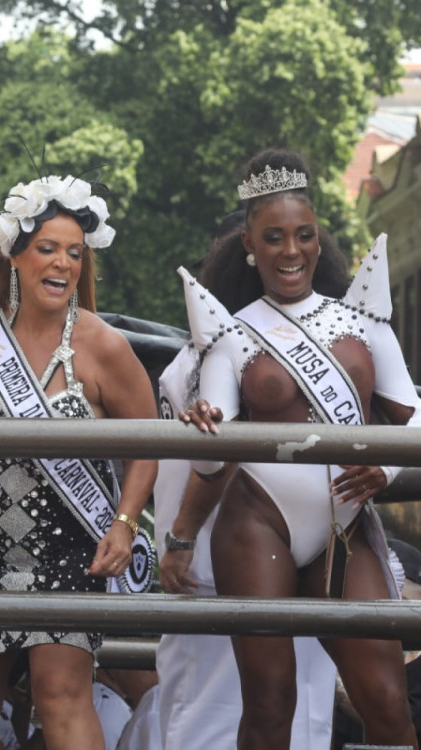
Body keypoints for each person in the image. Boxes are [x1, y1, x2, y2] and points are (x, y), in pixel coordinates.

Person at [0, 174, 158, 750]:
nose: (62, 263)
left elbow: (148, 445)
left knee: (60, 697)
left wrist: (124, 521)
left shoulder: (104, 345)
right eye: (47, 248)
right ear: (15, 255)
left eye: (74, 252)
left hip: (70, 549)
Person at [174, 148, 421, 750]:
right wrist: (204, 422)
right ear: (251, 248)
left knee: (387, 700)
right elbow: (212, 458)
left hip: (345, 525)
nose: (291, 251)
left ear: (318, 240)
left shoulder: (365, 325)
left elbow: (414, 421)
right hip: (258, 524)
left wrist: (385, 467)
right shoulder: (232, 337)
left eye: (303, 235)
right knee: (269, 703)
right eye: (275, 237)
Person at [155, 216, 336, 750]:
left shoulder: (190, 355)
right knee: (284, 707)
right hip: (255, 559)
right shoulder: (249, 354)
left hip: (217, 564)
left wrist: (180, 539)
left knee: (206, 712)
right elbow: (223, 453)